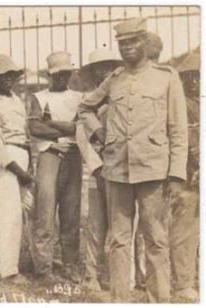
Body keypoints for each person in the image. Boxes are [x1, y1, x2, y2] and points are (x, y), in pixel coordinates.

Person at [78, 17, 188, 303]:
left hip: (153, 170)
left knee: (156, 240)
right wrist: (99, 134)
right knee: (118, 240)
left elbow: (177, 130)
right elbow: (85, 108)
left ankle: (159, 299)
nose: (127, 48)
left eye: (133, 42)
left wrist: (176, 175)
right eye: (122, 43)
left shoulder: (166, 77)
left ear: (145, 42)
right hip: (117, 171)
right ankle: (120, 299)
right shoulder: (115, 80)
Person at [29, 51, 83, 284]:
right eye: (57, 74)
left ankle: (70, 264)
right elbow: (36, 129)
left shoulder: (79, 97)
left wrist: (51, 123)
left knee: (71, 215)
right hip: (49, 156)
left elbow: (80, 129)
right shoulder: (39, 97)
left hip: (73, 157)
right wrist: (66, 128)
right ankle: (43, 268)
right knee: (45, 213)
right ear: (49, 76)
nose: (62, 78)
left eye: (65, 73)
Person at [75, 48, 123, 291]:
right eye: (98, 67)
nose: (104, 71)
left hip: (121, 171)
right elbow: (81, 137)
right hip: (97, 171)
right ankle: (91, 274)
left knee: (121, 226)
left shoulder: (121, 98)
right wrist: (96, 165)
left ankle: (118, 276)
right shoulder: (87, 100)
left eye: (108, 66)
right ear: (92, 72)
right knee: (96, 225)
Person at [0, 54, 34, 285]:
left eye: (12, 76)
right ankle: (8, 270)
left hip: (23, 155)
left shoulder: (16, 100)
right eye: (4, 76)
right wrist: (17, 170)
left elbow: (25, 134)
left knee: (26, 211)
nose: (8, 80)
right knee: (8, 215)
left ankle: (31, 262)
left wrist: (29, 163)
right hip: (8, 161)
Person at [170, 50, 200, 302]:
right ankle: (183, 282)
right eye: (188, 76)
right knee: (185, 229)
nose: (194, 81)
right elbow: (185, 140)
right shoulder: (182, 105)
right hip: (190, 175)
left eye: (199, 76)